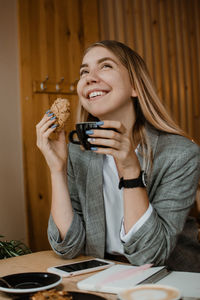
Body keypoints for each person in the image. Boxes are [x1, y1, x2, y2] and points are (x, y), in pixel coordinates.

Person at [36, 40, 200, 271]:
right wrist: (57, 169)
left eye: (105, 66)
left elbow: (149, 255)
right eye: (84, 71)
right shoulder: (79, 153)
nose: (89, 77)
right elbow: (69, 247)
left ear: (135, 86)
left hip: (172, 279)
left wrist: (131, 170)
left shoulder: (181, 154)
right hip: (105, 275)